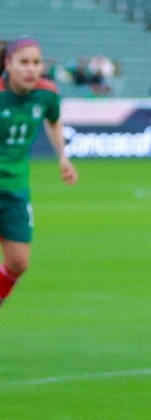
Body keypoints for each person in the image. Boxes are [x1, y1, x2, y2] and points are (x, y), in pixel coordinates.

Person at [0, 38, 78, 306]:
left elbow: (54, 121)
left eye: (36, 62)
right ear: (8, 64)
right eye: (24, 62)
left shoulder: (46, 94)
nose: (31, 69)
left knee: (18, 262)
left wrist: (62, 157)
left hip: (15, 188)